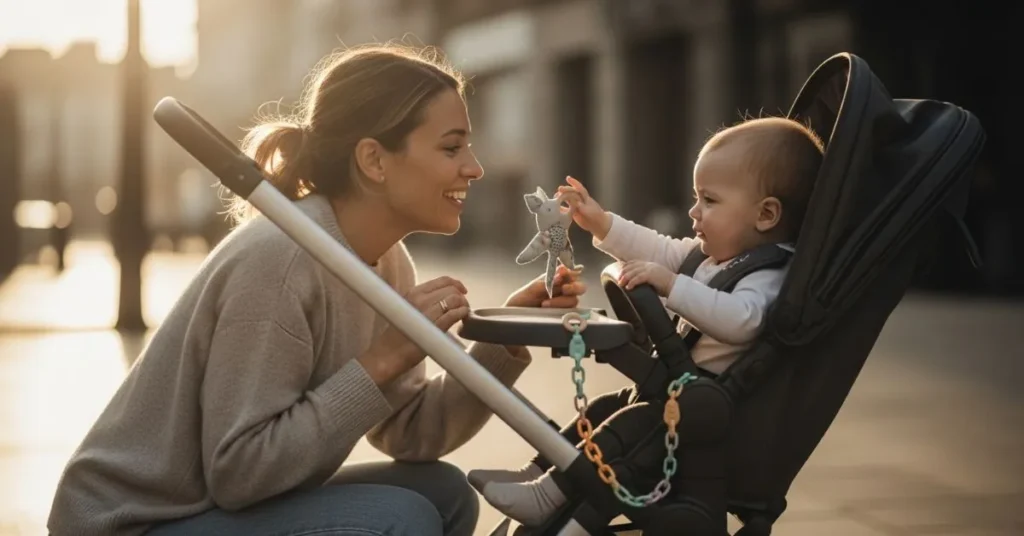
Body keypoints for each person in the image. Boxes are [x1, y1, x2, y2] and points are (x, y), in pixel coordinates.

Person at [46, 43, 587, 536]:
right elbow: (239, 472)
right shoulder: (279, 264)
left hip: (213, 512)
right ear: (374, 160)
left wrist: (501, 340)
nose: (475, 167)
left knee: (444, 494)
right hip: (133, 523)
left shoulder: (387, 262)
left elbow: (412, 435)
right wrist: (380, 361)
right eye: (451, 149)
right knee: (403, 520)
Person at [468, 116, 824, 527]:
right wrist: (601, 223)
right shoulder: (712, 258)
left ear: (766, 214)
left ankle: (553, 496)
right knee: (606, 407)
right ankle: (540, 474)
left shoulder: (770, 275)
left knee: (631, 431)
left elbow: (743, 321)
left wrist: (672, 286)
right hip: (676, 392)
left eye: (709, 201)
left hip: (703, 414)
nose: (693, 212)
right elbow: (658, 248)